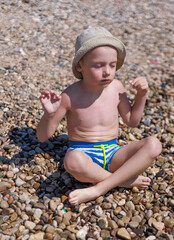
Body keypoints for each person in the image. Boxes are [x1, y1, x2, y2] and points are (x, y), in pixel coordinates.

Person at [36, 27, 162, 205]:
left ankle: (99, 188)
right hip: (84, 154)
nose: (107, 72)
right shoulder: (69, 96)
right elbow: (42, 136)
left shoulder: (117, 87)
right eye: (98, 65)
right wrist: (49, 114)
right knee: (71, 161)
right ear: (80, 66)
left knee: (154, 144)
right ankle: (123, 180)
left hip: (113, 152)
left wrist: (141, 95)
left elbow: (132, 121)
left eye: (112, 65)